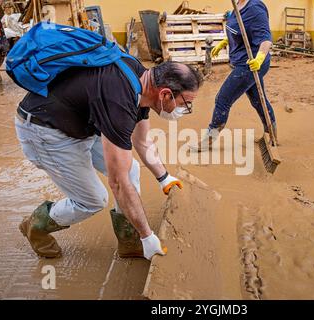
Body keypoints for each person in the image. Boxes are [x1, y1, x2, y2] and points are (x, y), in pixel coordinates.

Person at [15, 58, 203, 260]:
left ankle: (128, 242)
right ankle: (36, 226)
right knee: (93, 200)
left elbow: (143, 141)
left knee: (131, 170)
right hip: (44, 129)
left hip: (79, 120)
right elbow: (118, 184)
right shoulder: (119, 103)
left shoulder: (142, 81)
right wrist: (147, 236)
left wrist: (164, 177)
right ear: (165, 94)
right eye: (186, 104)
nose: (185, 110)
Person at [191, 0, 276, 151]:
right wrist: (226, 41)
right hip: (242, 60)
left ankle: (208, 141)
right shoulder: (238, 5)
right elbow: (241, 31)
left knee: (223, 99)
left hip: (250, 63)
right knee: (258, 100)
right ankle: (272, 134)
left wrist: (260, 58)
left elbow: (265, 38)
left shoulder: (255, 8)